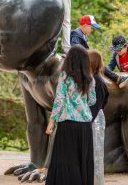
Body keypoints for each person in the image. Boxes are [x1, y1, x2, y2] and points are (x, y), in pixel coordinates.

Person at [46, 45, 95, 185]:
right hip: (85, 126)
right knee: (83, 160)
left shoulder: (65, 77)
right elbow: (92, 101)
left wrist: (51, 121)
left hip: (68, 124)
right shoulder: (90, 79)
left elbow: (59, 100)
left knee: (66, 160)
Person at [70, 17, 128, 88]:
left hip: (83, 61)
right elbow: (76, 50)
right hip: (80, 63)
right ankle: (117, 78)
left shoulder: (81, 35)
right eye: (91, 28)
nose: (92, 30)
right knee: (98, 62)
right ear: (85, 26)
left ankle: (117, 78)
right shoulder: (76, 35)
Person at [88, 49, 109, 185]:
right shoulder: (93, 79)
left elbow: (99, 103)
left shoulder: (98, 81)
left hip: (95, 120)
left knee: (96, 154)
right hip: (94, 118)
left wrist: (88, 120)